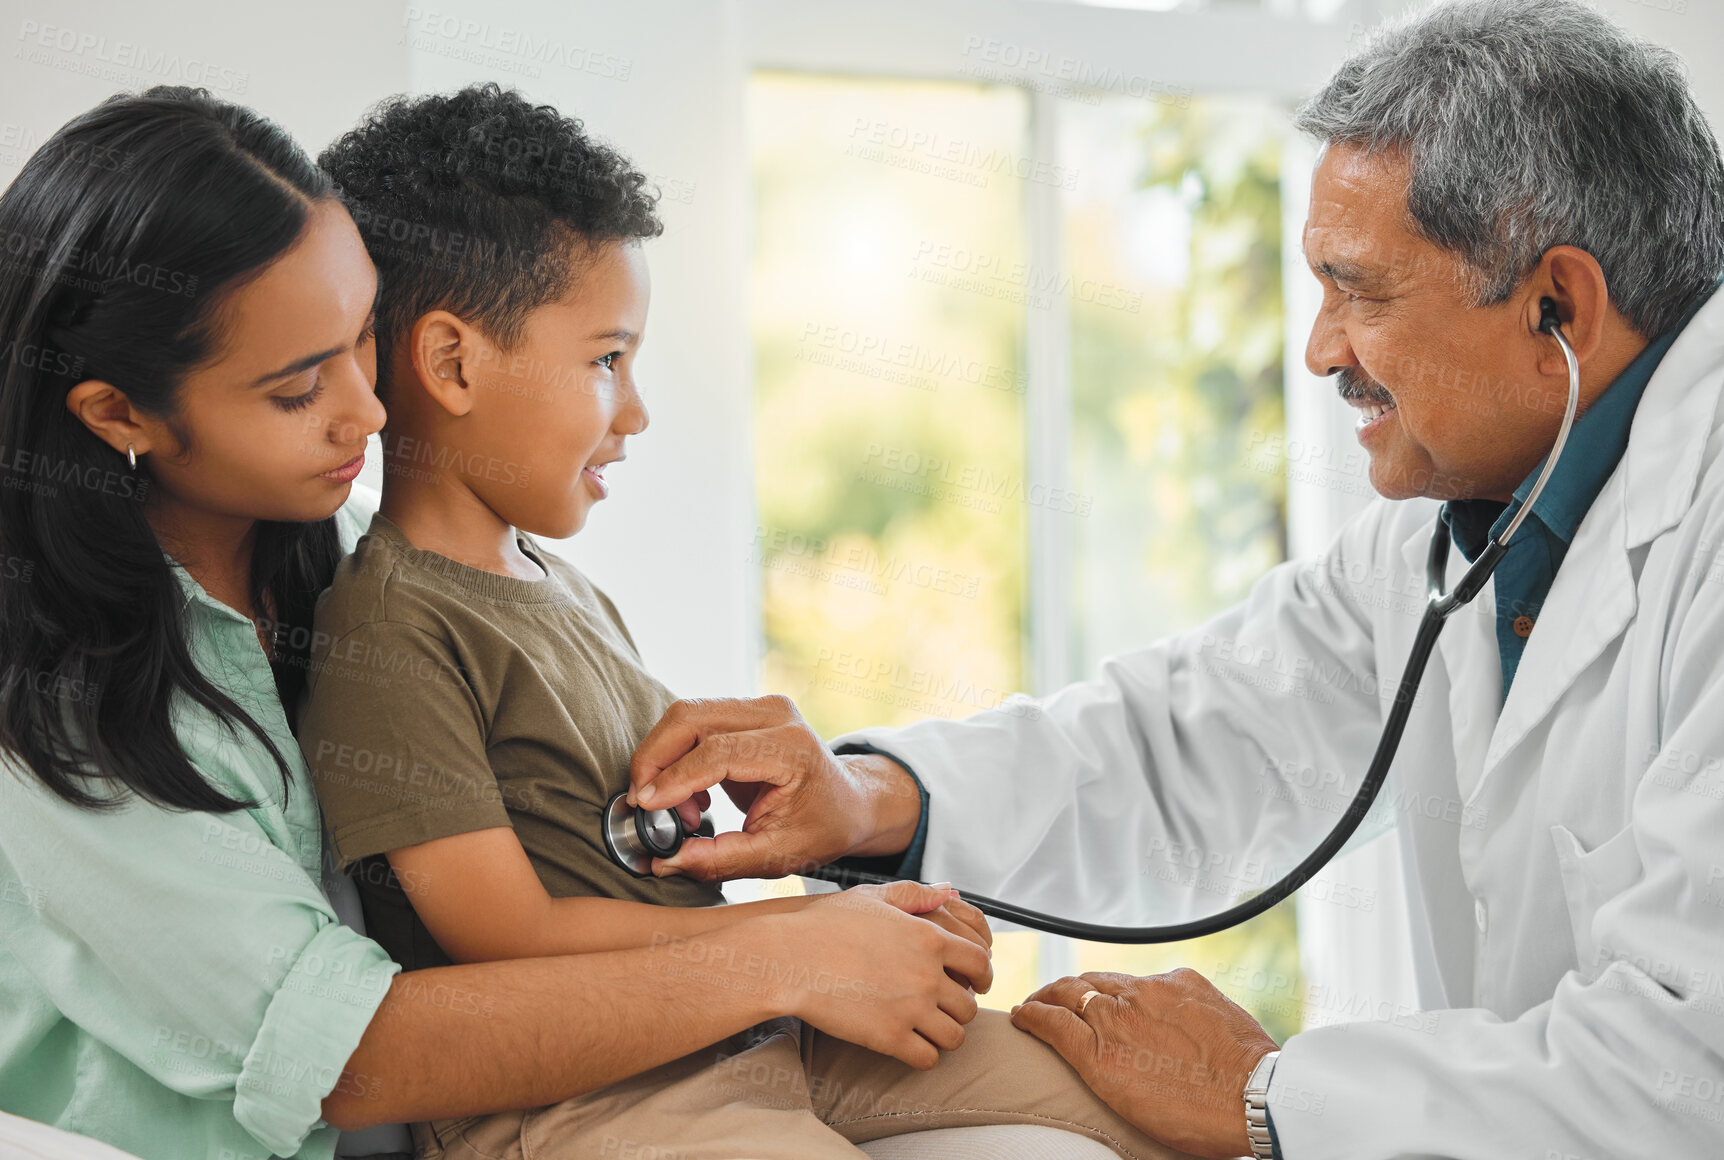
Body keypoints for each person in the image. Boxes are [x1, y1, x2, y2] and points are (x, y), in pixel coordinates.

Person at [624, 1, 1724, 1157]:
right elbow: (1190, 738)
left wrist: (1260, 1091)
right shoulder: (1460, 527)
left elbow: (1684, 1072)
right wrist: (870, 797)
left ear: (1557, 303)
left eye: (1362, 291)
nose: (1320, 349)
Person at [0, 87, 991, 1160]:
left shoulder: (373, 563)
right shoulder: (55, 715)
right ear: (117, 413)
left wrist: (821, 843)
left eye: (358, 342)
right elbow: (348, 1053)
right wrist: (788, 950)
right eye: (297, 389)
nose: (371, 413)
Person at [296, 82, 1209, 1160]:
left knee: (1134, 1095)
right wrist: (803, 933)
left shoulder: (562, 590)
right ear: (452, 362)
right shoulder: (391, 626)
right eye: (604, 360)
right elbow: (506, 930)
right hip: (580, 1095)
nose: (633, 413)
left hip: (738, 1024)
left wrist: (880, 920)